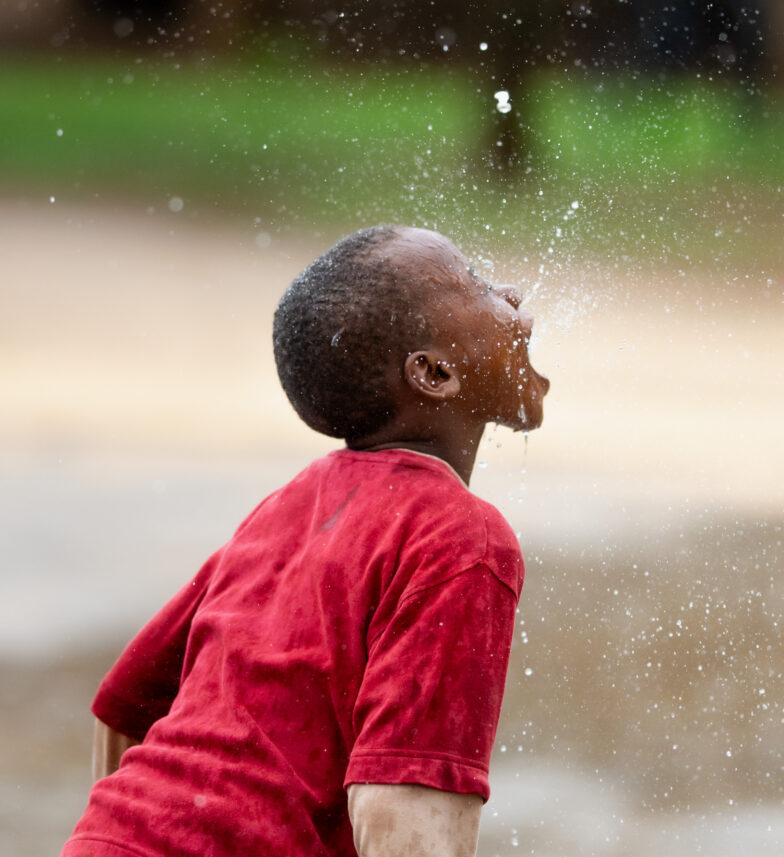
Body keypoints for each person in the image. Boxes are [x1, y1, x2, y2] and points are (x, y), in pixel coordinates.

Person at [61, 225, 551, 857]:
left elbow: (128, 707)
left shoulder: (292, 504)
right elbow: (404, 815)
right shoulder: (463, 539)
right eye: (479, 285)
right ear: (435, 373)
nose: (511, 296)